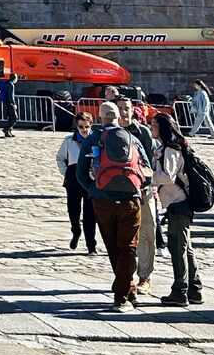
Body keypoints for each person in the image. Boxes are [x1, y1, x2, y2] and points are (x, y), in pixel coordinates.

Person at [77, 100, 150, 310]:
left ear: (100, 117)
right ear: (118, 117)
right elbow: (146, 169)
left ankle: (122, 295)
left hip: (103, 199)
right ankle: (128, 290)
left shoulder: (93, 139)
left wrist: (93, 190)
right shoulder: (133, 138)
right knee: (128, 247)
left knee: (113, 246)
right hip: (131, 199)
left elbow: (81, 172)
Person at [151, 111, 203, 307]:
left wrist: (148, 176)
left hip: (179, 202)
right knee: (185, 247)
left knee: (177, 247)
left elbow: (168, 177)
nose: (152, 128)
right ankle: (195, 288)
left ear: (163, 128)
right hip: (176, 202)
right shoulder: (167, 147)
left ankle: (180, 291)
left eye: (154, 125)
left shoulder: (171, 149)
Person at [119, 97, 158, 293]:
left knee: (146, 232)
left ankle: (145, 276)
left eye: (126, 108)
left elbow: (151, 163)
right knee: (123, 236)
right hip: (118, 192)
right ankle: (125, 276)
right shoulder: (108, 132)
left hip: (143, 190)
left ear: (133, 110)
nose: (124, 112)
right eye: (120, 109)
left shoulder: (142, 132)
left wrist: (147, 186)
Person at [56, 109, 97, 253]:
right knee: (73, 211)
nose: (84, 130)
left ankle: (91, 245)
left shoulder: (96, 140)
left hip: (90, 179)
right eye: (81, 127)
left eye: (87, 127)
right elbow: (60, 158)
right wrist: (66, 172)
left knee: (90, 214)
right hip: (73, 179)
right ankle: (76, 230)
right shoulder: (69, 140)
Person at [0, 70, 19, 138]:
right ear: (14, 78)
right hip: (10, 103)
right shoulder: (11, 84)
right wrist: (14, 104)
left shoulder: (6, 83)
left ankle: (8, 132)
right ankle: (6, 129)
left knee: (10, 118)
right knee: (15, 118)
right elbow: (11, 95)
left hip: (6, 102)